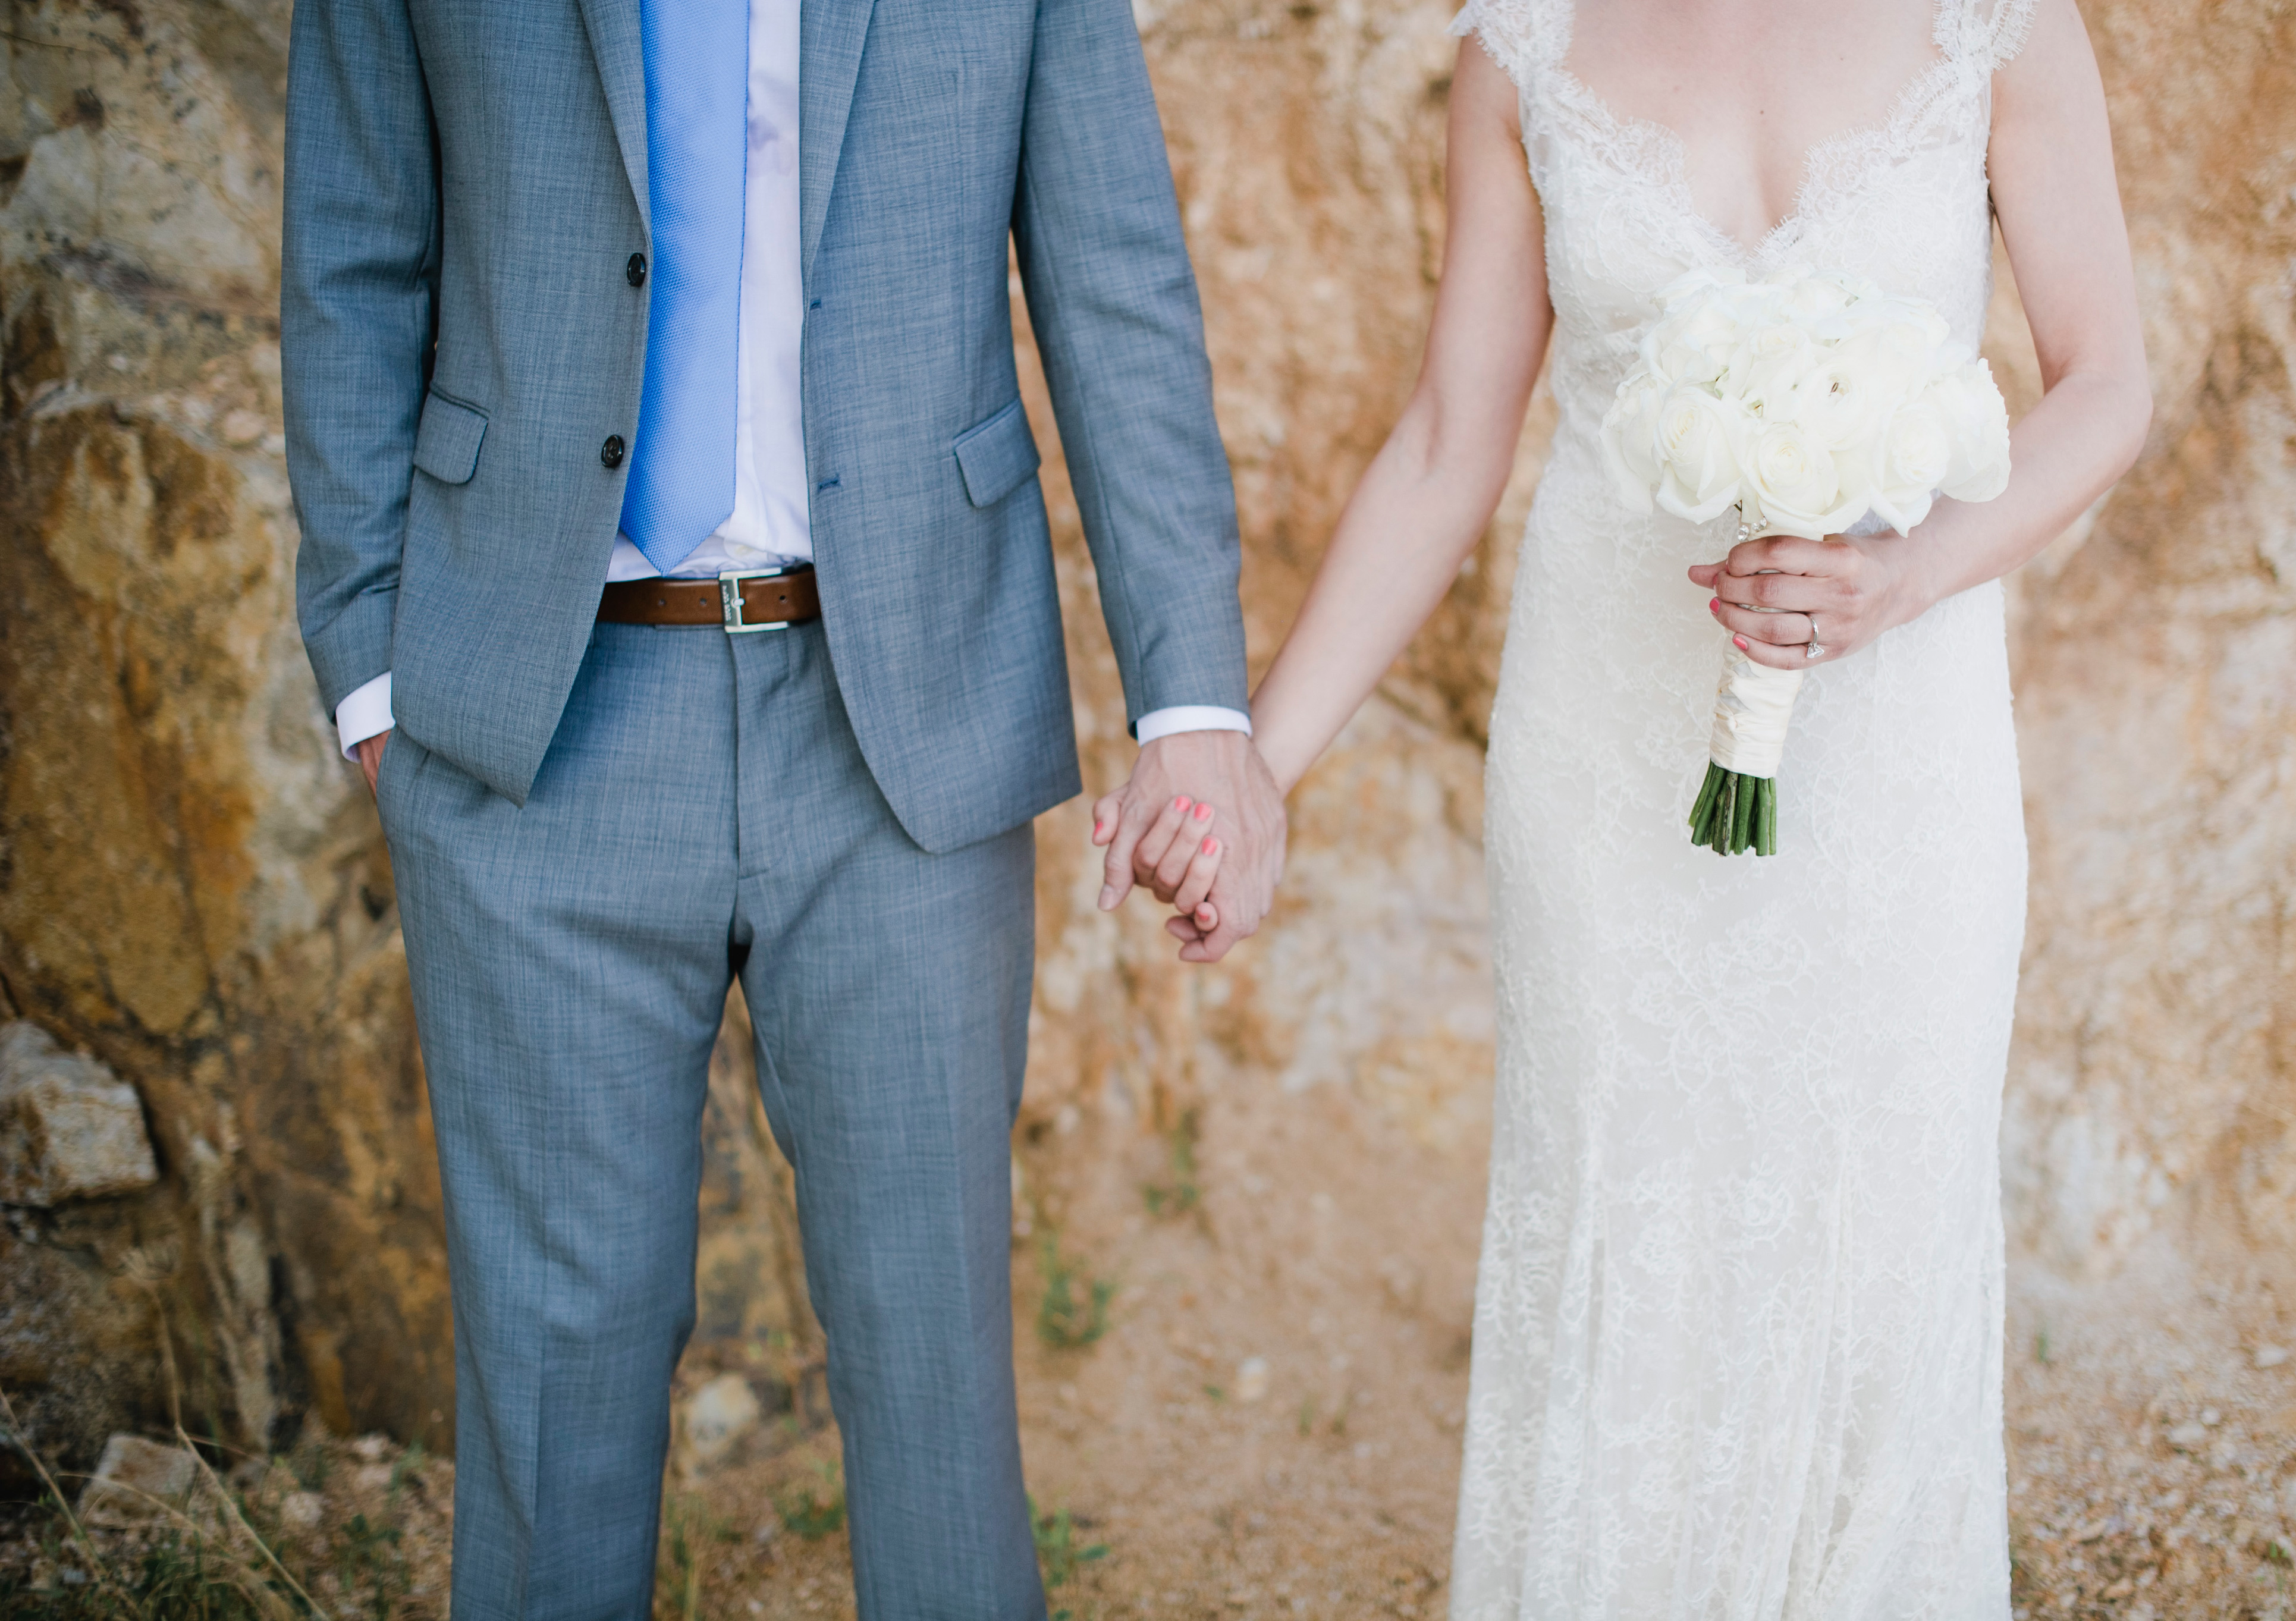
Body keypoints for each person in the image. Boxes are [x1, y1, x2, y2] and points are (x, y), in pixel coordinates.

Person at [280, 0, 1282, 1613]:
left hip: (902, 714)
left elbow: (1116, 276)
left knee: (930, 1362)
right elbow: (350, 246)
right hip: (535, 721)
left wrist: (1193, 705)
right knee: (555, 1380)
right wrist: (374, 671)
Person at [1154, 0, 2150, 1610]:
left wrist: (1903, 579)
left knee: (1876, 1248)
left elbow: (2107, 383)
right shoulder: (1522, 41)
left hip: (1904, 748)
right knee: (1624, 1235)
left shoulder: (1997, 26)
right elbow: (1445, 440)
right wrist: (1259, 767)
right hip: (1606, 752)